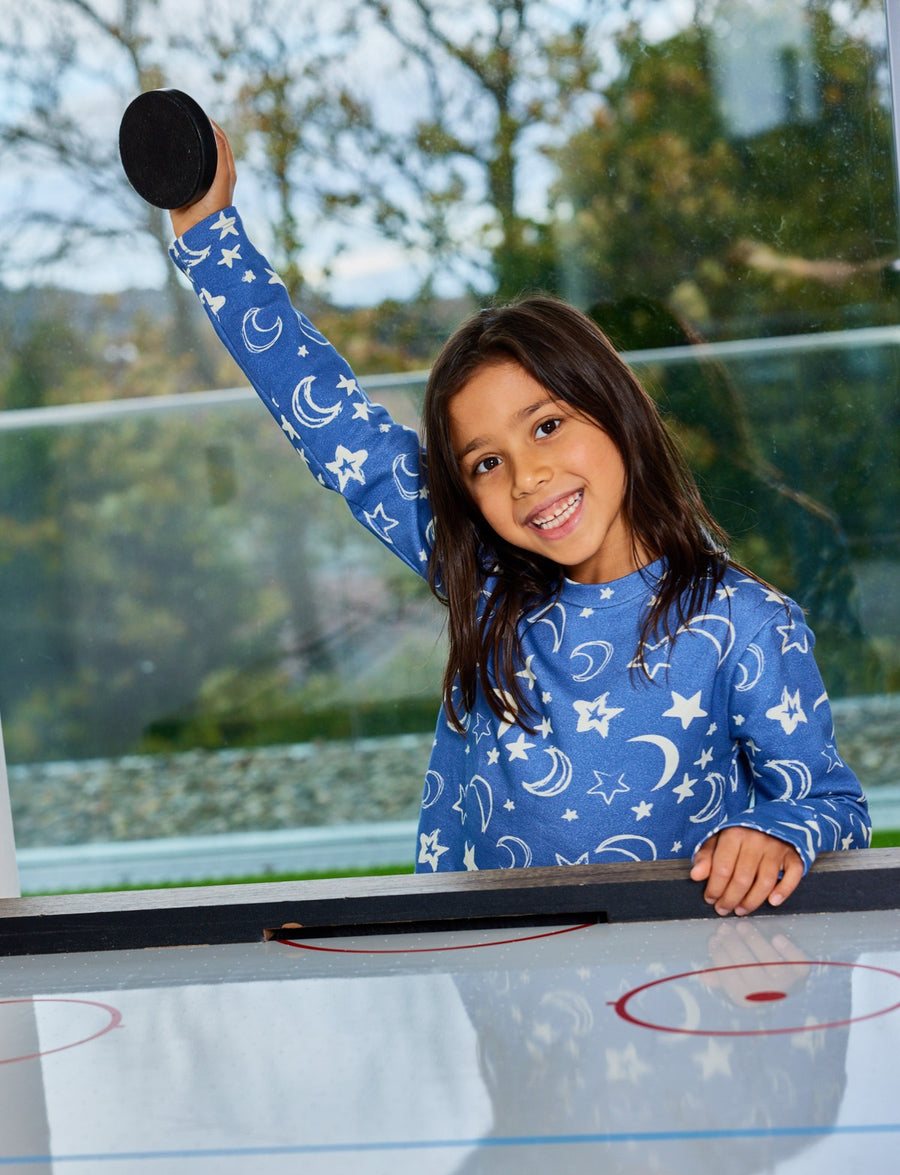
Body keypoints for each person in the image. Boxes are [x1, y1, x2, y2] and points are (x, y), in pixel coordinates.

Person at [167, 124, 870, 915]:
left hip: (678, 1005)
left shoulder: (745, 622)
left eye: (546, 426)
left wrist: (778, 832)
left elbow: (834, 809)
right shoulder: (492, 590)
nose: (527, 477)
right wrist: (207, 236)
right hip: (505, 994)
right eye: (485, 462)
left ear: (617, 413)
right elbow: (335, 425)